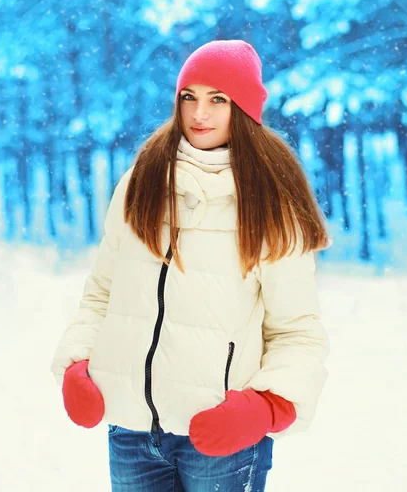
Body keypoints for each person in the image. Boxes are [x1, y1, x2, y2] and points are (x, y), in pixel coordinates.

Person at [51, 39, 331, 492]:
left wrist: (265, 407)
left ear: (242, 108)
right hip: (131, 430)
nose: (200, 113)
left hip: (220, 437)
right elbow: (102, 293)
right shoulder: (141, 181)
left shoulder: (270, 202)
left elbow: (297, 331)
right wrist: (76, 363)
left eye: (218, 99)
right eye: (190, 97)